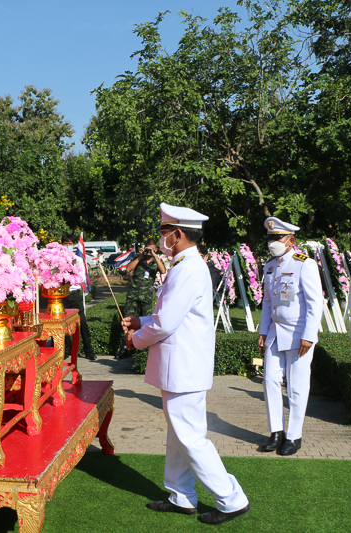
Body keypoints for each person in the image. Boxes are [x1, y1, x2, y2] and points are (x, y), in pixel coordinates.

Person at [121, 203, 250, 526]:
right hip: (182, 365)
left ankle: (231, 498)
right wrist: (142, 320)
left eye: (164, 233)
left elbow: (165, 324)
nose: (161, 238)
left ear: (177, 234)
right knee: (179, 434)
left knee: (190, 437)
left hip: (183, 366)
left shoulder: (187, 268)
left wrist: (135, 339)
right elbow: (171, 317)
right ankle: (181, 495)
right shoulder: (186, 266)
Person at [257, 217, 322, 456]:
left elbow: (316, 304)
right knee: (270, 380)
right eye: (269, 238)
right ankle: (276, 432)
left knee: (296, 386)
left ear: (290, 240)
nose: (272, 242)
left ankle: (294, 436)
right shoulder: (270, 266)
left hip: (298, 334)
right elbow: (267, 302)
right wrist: (263, 330)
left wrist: (309, 336)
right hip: (275, 332)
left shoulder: (305, 264)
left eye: (277, 238)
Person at [114, 238, 166, 360]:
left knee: (146, 323)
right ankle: (125, 348)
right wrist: (139, 256)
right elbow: (128, 269)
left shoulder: (155, 262)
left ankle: (143, 351)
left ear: (156, 249)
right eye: (147, 248)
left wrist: (155, 256)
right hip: (133, 295)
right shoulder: (139, 259)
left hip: (146, 297)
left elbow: (163, 270)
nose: (148, 251)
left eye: (151, 249)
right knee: (128, 322)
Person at [60, 235, 96, 361]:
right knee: (63, 324)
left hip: (74, 294)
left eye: (70, 243)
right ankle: (66, 350)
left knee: (82, 323)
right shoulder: (58, 259)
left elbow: (81, 278)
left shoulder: (77, 259)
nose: (67, 245)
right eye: (65, 243)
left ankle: (88, 351)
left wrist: (69, 275)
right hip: (61, 295)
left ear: (74, 245)